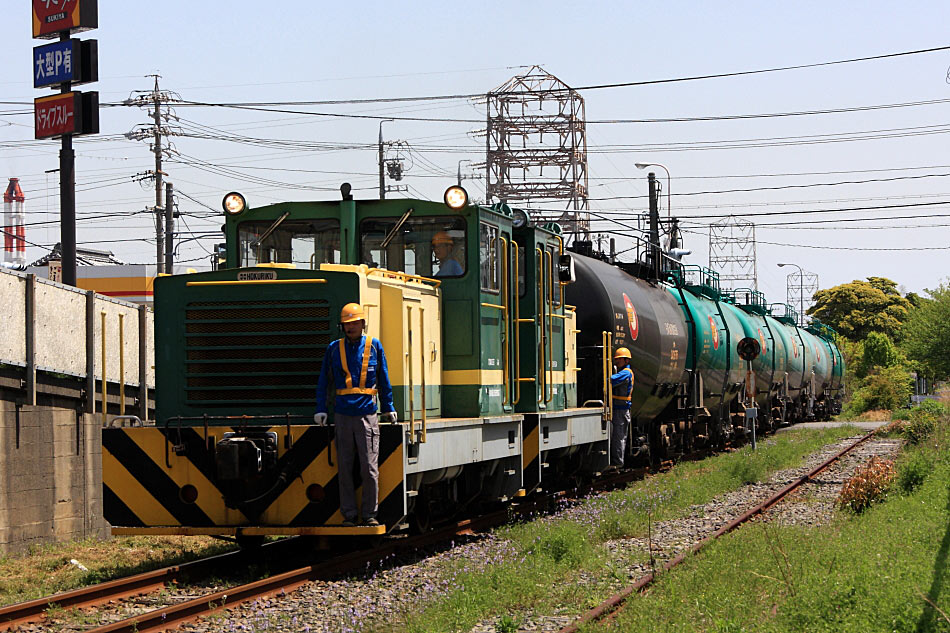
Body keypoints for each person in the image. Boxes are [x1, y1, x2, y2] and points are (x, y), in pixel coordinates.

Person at [314, 303, 396, 527]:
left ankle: (370, 514)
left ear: (362, 323)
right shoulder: (334, 348)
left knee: (369, 468)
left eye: (354, 323)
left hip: (368, 415)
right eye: (346, 324)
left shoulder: (374, 346)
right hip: (342, 415)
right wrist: (321, 408)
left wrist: (388, 406)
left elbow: (384, 378)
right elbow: (324, 381)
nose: (350, 327)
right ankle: (348, 515)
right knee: (345, 468)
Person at [610, 347, 635, 468]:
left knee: (618, 436)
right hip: (619, 409)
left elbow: (610, 380)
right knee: (618, 436)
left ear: (626, 360)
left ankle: (618, 463)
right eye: (616, 359)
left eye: (620, 360)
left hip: (621, 410)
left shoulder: (625, 373)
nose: (617, 362)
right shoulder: (623, 372)